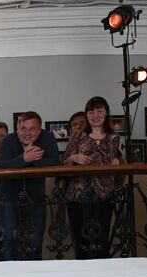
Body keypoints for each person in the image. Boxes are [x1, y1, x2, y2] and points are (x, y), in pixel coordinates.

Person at [62, 95, 123, 260]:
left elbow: (112, 161)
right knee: (81, 241)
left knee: (101, 240)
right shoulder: (77, 136)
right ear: (87, 115)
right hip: (78, 195)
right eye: (91, 112)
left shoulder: (114, 137)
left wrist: (117, 161)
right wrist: (74, 158)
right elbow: (64, 162)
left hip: (104, 195)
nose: (95, 115)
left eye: (99, 111)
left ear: (106, 113)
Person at [0, 112, 63, 260]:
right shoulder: (8, 140)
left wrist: (32, 160)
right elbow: (1, 166)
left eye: (32, 129)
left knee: (35, 240)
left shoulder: (47, 138)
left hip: (36, 197)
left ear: (40, 130)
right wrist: (24, 158)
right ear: (17, 128)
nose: (27, 133)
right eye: (23, 129)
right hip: (9, 197)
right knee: (8, 240)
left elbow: (56, 163)